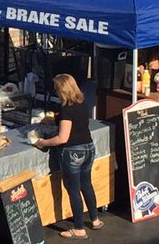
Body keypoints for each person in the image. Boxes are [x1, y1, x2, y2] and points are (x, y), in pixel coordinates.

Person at [36, 74, 103, 239]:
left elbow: (62, 138)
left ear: (63, 89)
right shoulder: (82, 103)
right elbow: (74, 122)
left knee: (73, 190)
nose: (55, 91)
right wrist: (56, 120)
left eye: (56, 88)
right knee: (86, 185)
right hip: (88, 148)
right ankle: (95, 219)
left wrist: (42, 142)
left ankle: (79, 228)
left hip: (73, 152)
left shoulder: (67, 109)